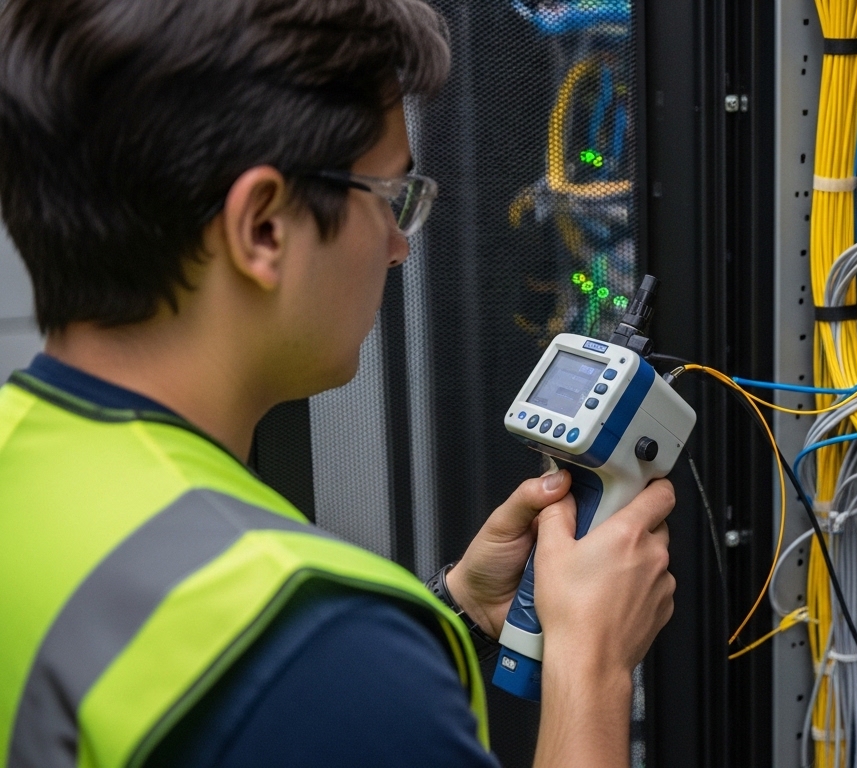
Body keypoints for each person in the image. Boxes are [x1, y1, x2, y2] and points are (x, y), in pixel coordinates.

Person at [0, 0, 676, 766]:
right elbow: (303, 677)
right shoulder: (318, 647)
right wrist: (593, 666)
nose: (397, 248)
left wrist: (449, 615)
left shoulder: (18, 450)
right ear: (262, 227)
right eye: (391, 197)